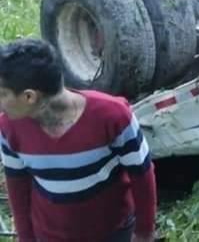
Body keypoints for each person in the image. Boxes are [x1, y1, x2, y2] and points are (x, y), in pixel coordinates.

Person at [0, 39, 157, 242]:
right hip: (49, 235)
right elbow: (17, 186)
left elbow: (141, 174)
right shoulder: (9, 128)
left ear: (29, 97)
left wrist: (144, 232)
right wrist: (26, 237)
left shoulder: (113, 116)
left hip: (113, 231)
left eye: (2, 94)